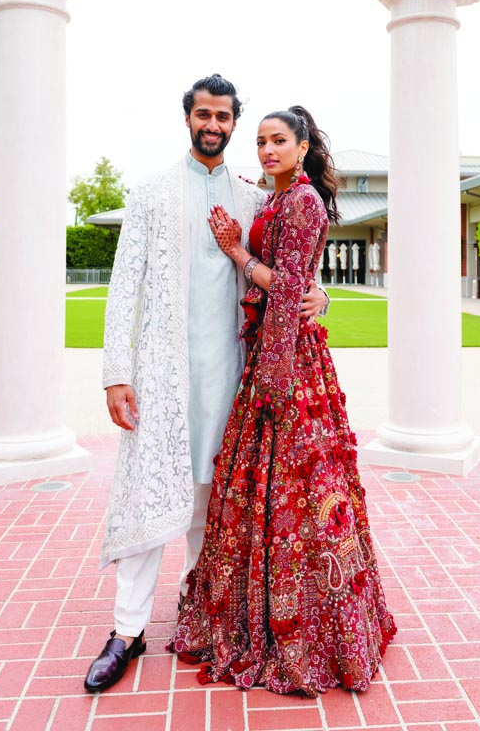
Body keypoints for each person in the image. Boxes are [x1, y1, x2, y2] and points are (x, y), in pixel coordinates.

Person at [84, 76, 329, 693]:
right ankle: (126, 631)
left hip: (232, 377)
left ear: (233, 124)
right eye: (203, 114)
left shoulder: (253, 200)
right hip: (162, 378)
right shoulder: (150, 194)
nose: (213, 124)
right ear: (188, 118)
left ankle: (203, 621)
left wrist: (317, 294)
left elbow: (289, 272)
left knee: (214, 505)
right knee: (146, 497)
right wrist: (117, 373)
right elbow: (124, 290)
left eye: (223, 116)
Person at [168, 106, 397, 697]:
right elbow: (300, 282)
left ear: (302, 148)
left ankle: (306, 630)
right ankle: (258, 613)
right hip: (271, 352)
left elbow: (294, 286)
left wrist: (237, 254)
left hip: (289, 365)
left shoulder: (301, 201)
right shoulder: (272, 198)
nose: (268, 149)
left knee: (299, 490)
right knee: (260, 490)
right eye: (262, 141)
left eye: (279, 141)